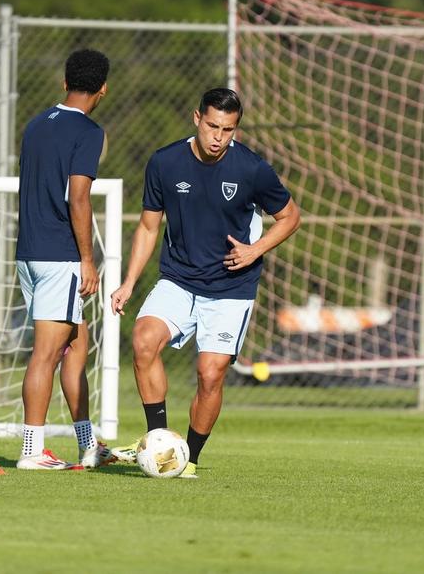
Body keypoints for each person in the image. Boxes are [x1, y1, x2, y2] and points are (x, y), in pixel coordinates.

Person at [109, 87, 301, 478]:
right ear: (197, 118)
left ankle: (189, 458)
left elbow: (291, 216)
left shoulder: (251, 169)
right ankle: (159, 440)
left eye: (228, 130)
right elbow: (149, 226)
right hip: (179, 278)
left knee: (210, 373)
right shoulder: (165, 162)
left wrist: (255, 250)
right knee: (144, 340)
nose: (218, 137)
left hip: (231, 286)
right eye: (213, 126)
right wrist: (129, 282)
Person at [15, 48, 114, 470]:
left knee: (76, 347)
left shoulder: (37, 125)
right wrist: (87, 260)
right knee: (46, 354)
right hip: (60, 257)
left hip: (30, 253)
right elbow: (78, 196)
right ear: (104, 88)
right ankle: (31, 452)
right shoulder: (88, 131)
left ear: (64, 81)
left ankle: (89, 445)